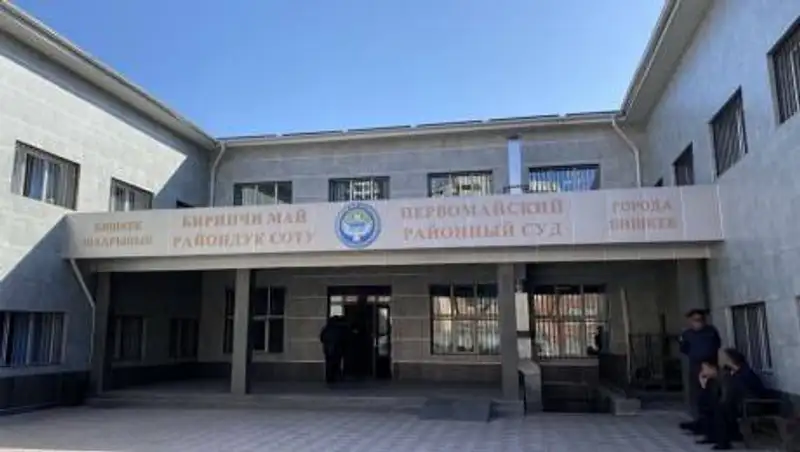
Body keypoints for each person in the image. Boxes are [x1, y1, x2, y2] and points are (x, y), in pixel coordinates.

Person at [696, 348, 767, 449]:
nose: (720, 360)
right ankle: (715, 437)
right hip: (739, 403)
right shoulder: (730, 373)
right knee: (713, 406)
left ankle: (724, 442)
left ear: (730, 360)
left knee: (721, 409)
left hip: (750, 404)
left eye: (723, 357)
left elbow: (747, 391)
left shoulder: (744, 372)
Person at [679, 309, 722, 432]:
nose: (697, 322)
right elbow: (684, 348)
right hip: (695, 366)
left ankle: (711, 422)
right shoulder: (687, 334)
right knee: (697, 394)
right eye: (695, 320)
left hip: (710, 366)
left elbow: (716, 345)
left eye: (700, 320)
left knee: (711, 394)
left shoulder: (711, 331)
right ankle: (699, 421)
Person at [320, 316, 346, 385]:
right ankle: (335, 377)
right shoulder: (338, 329)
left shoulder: (326, 329)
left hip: (328, 349)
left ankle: (329, 377)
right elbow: (342, 339)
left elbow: (322, 338)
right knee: (336, 363)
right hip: (336, 349)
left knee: (329, 364)